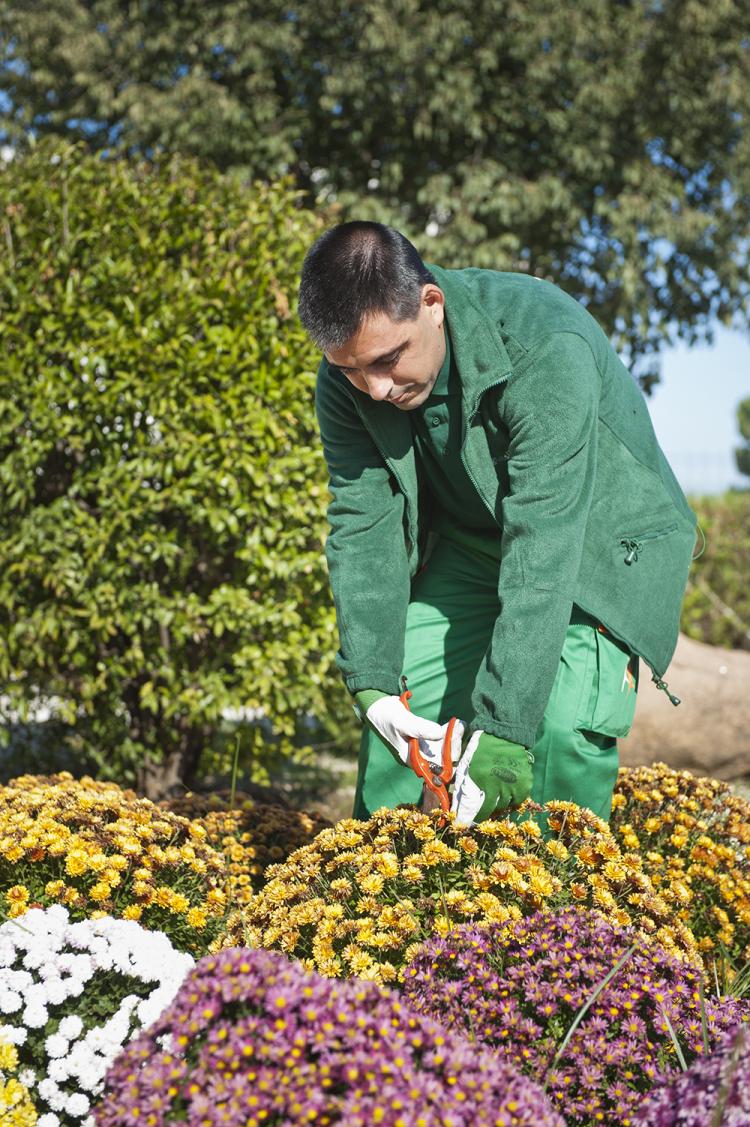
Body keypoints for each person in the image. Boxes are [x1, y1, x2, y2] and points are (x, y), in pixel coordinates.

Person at [298, 221, 696, 826]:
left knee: (557, 733)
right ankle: (382, 911)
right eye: (353, 370)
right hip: (470, 541)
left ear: (431, 304)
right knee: (403, 721)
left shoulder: (544, 345)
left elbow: (544, 540)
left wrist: (505, 724)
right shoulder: (348, 380)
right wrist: (373, 686)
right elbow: (361, 522)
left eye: (388, 360)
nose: (374, 389)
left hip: (589, 546)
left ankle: (566, 916)